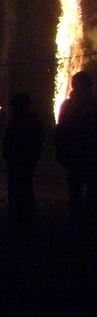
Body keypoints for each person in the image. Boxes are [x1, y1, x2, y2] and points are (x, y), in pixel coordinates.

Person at [54, 71, 97, 229]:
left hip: (84, 154)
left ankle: (80, 220)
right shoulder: (75, 105)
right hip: (79, 154)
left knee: (82, 190)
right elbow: (61, 130)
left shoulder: (90, 104)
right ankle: (80, 221)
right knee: (81, 189)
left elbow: (60, 131)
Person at [2, 92, 43, 229]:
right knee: (22, 187)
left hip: (21, 160)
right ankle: (23, 217)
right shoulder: (29, 121)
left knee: (21, 188)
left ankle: (21, 217)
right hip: (21, 160)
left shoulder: (23, 122)